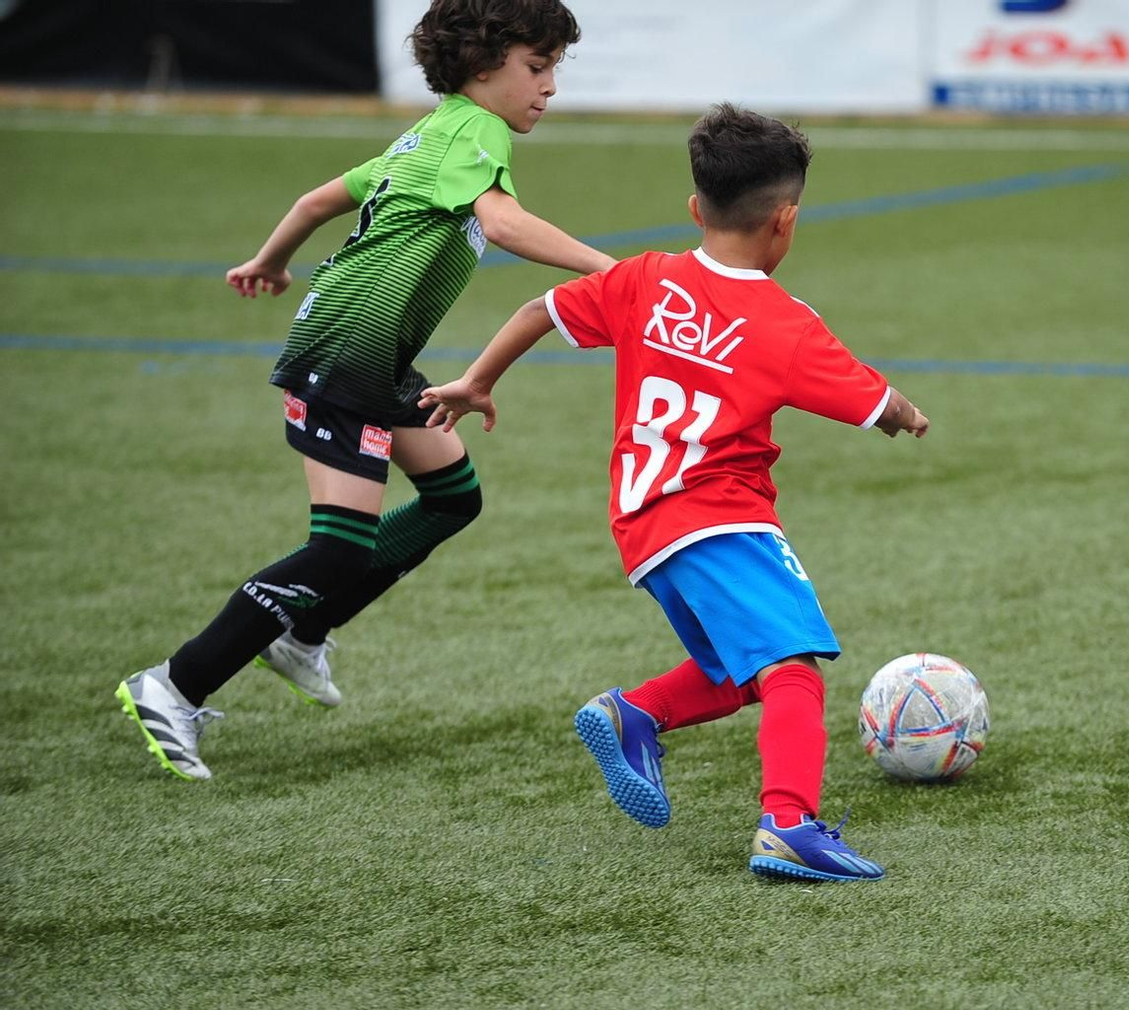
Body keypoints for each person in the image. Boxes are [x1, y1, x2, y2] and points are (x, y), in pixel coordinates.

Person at [422, 104, 929, 882]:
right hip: (721, 517)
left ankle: (633, 714)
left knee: (736, 675)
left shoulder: (642, 278)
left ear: (697, 208)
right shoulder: (787, 324)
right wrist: (906, 414)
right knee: (794, 664)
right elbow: (876, 404)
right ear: (785, 221)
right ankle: (788, 824)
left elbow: (537, 309)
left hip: (642, 523)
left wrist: (476, 380)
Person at [116, 0, 616, 782]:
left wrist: (271, 262)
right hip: (344, 355)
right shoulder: (470, 134)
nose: (550, 86)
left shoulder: (430, 134)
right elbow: (507, 225)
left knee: (452, 497)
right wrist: (613, 271)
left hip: (373, 356)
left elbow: (318, 203)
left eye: (554, 68)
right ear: (484, 67)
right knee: (338, 547)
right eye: (537, 66)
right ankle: (175, 684)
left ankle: (301, 633)